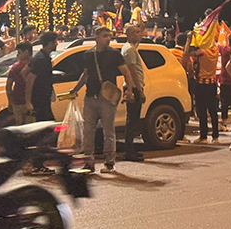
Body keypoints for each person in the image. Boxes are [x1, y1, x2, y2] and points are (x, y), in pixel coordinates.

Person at [70, 26, 135, 173]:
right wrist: (75, 89)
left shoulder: (114, 54)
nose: (108, 39)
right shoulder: (88, 55)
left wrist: (129, 89)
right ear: (96, 37)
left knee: (108, 131)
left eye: (109, 36)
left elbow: (126, 72)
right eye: (105, 36)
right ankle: (89, 162)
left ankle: (109, 162)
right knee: (88, 131)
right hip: (90, 96)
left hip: (107, 98)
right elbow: (86, 74)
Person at [185, 29, 220, 144]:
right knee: (213, 111)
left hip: (201, 84)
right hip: (212, 84)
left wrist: (189, 39)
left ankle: (203, 136)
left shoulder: (202, 52)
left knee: (202, 111)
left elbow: (186, 53)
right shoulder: (215, 50)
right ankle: (215, 136)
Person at [121, 25, 146, 161]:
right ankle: (129, 152)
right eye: (136, 32)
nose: (139, 34)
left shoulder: (131, 48)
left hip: (134, 87)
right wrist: (139, 90)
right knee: (132, 121)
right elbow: (132, 71)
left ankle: (131, 150)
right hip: (134, 87)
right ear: (129, 35)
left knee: (133, 120)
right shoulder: (129, 50)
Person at [24, 32, 59, 123]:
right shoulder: (42, 60)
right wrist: (28, 101)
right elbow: (30, 79)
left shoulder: (39, 56)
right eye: (55, 42)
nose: (57, 44)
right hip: (40, 99)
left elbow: (24, 72)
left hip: (42, 98)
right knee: (47, 124)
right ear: (50, 43)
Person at [6, 41, 32, 125]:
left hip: (17, 101)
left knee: (19, 125)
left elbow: (8, 85)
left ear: (26, 52)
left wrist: (10, 101)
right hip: (32, 100)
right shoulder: (35, 65)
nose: (17, 55)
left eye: (19, 52)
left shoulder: (15, 67)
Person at [218, 33, 231, 132]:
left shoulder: (224, 50)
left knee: (224, 103)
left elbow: (217, 45)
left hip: (224, 80)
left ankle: (224, 123)